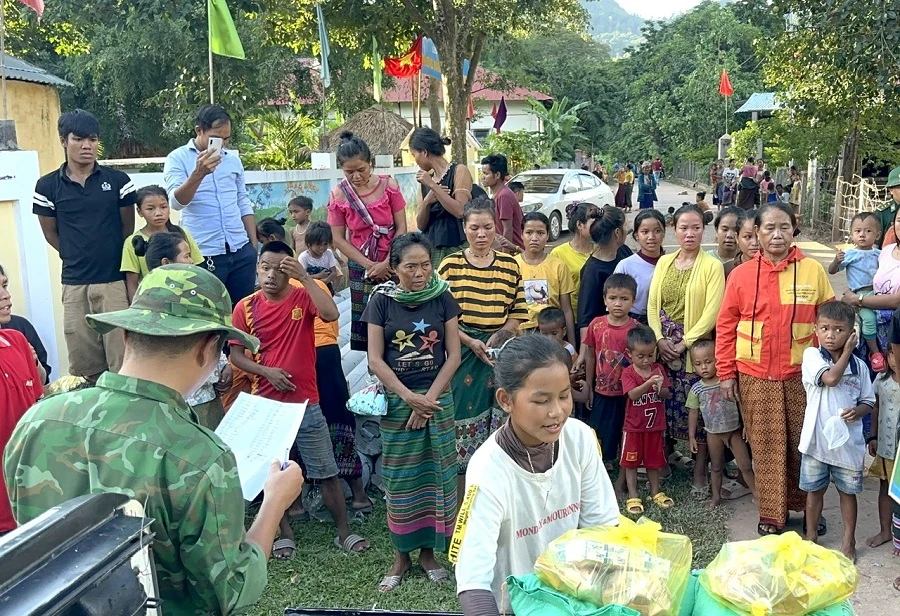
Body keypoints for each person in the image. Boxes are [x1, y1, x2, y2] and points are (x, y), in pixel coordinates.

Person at [3, 264, 305, 614]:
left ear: (128, 335)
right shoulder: (199, 457)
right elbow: (231, 591)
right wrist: (274, 502)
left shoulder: (38, 420)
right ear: (208, 349)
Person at [452, 334, 619, 616]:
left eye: (564, 396)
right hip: (516, 608)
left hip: (577, 599)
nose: (557, 412)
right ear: (506, 400)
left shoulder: (579, 438)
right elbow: (473, 580)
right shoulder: (488, 469)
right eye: (541, 401)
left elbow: (602, 528)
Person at [229, 241, 370, 555]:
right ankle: (283, 534)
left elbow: (331, 313)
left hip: (307, 403)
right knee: (275, 473)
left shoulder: (303, 296)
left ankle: (344, 532)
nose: (270, 275)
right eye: (265, 267)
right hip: (266, 405)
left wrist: (306, 278)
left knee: (326, 469)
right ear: (257, 267)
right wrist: (266, 372)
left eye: (279, 269)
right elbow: (236, 354)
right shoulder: (245, 307)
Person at [717, 202, 835, 535]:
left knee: (804, 444)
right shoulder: (740, 275)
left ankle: (807, 509)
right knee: (766, 446)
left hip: (803, 377)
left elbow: (829, 322)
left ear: (794, 227)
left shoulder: (812, 270)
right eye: (769, 228)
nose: (777, 234)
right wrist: (726, 373)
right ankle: (771, 514)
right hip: (755, 376)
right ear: (756, 232)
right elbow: (726, 326)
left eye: (783, 227)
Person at [362, 232, 461, 592]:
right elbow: (375, 359)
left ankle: (429, 554)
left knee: (437, 477)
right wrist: (408, 398)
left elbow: (454, 356)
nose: (419, 273)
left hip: (438, 399)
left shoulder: (443, 297)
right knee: (402, 481)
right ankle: (401, 556)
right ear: (394, 268)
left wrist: (428, 400)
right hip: (397, 402)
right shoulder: (381, 302)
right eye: (410, 266)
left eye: (425, 265)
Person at [33, 109, 135, 381]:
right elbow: (51, 234)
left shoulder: (118, 182)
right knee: (84, 366)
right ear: (64, 141)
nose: (87, 146)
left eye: (92, 139)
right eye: (79, 139)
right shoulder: (46, 187)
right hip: (75, 284)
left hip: (114, 282)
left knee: (123, 362)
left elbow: (128, 229)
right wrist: (75, 255)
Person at [438, 197, 527, 487]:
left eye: (487, 227)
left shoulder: (510, 266)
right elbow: (441, 314)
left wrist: (502, 334)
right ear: (464, 228)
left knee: (504, 412)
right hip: (462, 352)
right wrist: (469, 340)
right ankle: (464, 489)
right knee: (464, 417)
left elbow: (518, 311)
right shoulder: (449, 266)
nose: (481, 235)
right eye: (474, 227)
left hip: (500, 350)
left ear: (496, 228)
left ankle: (501, 483)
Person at [648, 204, 725, 492]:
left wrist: (684, 344)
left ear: (703, 230)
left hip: (694, 354)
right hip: (664, 349)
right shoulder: (664, 263)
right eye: (683, 227)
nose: (689, 233)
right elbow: (653, 305)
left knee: (699, 412)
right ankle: (665, 462)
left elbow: (711, 312)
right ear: (674, 229)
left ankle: (699, 475)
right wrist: (659, 340)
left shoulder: (712, 266)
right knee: (664, 406)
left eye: (695, 228)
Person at [800, 300, 874, 562]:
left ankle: (848, 540)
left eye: (839, 330)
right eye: (825, 328)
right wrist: (848, 352)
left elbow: (868, 400)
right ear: (816, 330)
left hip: (847, 445)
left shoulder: (860, 368)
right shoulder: (811, 357)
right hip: (816, 442)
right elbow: (830, 379)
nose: (831, 335)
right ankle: (811, 537)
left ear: (852, 333)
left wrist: (859, 412)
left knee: (848, 493)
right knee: (814, 492)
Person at [133, 233, 230, 430]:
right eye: (186, 256)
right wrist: (218, 369)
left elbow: (209, 333)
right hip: (180, 405)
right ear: (167, 262)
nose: (192, 261)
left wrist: (224, 365)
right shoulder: (152, 304)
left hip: (205, 398)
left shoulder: (192, 294)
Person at [164, 105, 258, 303]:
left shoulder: (233, 161)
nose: (222, 144)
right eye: (217, 138)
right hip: (203, 253)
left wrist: (253, 245)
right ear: (199, 131)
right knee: (207, 316)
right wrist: (198, 173)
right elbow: (176, 203)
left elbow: (242, 201)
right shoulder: (177, 158)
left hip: (240, 249)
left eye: (226, 138)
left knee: (242, 313)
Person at [327, 132, 407, 352]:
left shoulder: (388, 185)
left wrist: (388, 263)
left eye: (361, 170)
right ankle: (375, 370)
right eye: (349, 172)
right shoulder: (339, 195)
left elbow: (401, 227)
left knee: (399, 315)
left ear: (370, 163)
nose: (356, 176)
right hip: (361, 266)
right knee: (368, 319)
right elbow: (338, 239)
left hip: (394, 261)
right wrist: (370, 266)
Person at [686, 339, 756, 510]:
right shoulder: (696, 389)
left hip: (734, 432)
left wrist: (746, 424)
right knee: (716, 467)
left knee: (746, 466)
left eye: (708, 362)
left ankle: (758, 496)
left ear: (718, 360)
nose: (704, 367)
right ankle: (716, 497)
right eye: (698, 364)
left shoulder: (728, 383)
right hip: (713, 434)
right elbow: (693, 413)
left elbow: (740, 404)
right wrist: (691, 436)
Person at [583, 274, 640, 472]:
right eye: (613, 298)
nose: (618, 304)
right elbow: (590, 356)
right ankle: (603, 459)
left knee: (625, 427)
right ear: (604, 299)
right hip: (602, 391)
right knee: (601, 428)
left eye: (624, 299)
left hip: (628, 393)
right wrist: (589, 386)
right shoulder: (596, 325)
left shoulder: (636, 329)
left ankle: (629, 459)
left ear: (633, 301)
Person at [0, 282, 44, 536]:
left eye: (5, 285)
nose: (6, 295)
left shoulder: (17, 341)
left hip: (32, 501)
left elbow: (38, 400)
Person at [620, 325, 673, 514]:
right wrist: (649, 383)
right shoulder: (628, 373)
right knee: (630, 463)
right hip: (634, 427)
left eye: (650, 355)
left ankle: (655, 491)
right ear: (629, 354)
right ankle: (633, 495)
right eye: (640, 356)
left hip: (655, 426)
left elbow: (666, 393)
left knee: (654, 461)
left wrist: (659, 388)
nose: (646, 360)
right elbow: (632, 395)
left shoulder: (658, 369)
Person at [122, 185, 204, 301]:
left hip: (185, 298)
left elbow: (197, 268)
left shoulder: (182, 233)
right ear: (139, 212)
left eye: (163, 207)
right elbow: (132, 283)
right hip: (152, 300)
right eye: (150, 209)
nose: (158, 213)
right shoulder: (132, 241)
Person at [411, 128, 478, 268]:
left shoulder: (458, 171)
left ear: (424, 152)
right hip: (432, 246)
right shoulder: (424, 180)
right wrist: (428, 201)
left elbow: (460, 211)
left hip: (457, 244)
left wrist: (433, 186)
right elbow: (421, 224)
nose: (415, 160)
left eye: (414, 154)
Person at [829, 212, 884, 370]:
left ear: (877, 235)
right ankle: (875, 353)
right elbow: (832, 271)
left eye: (868, 231)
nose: (862, 235)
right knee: (868, 320)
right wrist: (836, 261)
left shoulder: (879, 255)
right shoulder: (849, 254)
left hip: (878, 292)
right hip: (859, 294)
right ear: (852, 234)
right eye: (858, 231)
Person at [515, 212, 576, 344]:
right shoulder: (512, 265)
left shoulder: (558, 266)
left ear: (547, 235)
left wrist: (572, 345)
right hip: (521, 333)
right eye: (529, 232)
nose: (534, 238)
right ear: (521, 234)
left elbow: (566, 309)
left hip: (552, 332)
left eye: (540, 233)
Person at [866, 325, 900, 549]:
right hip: (887, 448)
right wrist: (873, 436)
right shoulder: (882, 380)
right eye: (892, 353)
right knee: (885, 489)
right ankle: (885, 530)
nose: (895, 359)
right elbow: (876, 407)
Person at [576, 206, 632, 340]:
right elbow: (585, 317)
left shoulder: (624, 251)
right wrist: (586, 354)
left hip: (628, 329)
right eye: (625, 227)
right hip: (606, 337)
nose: (628, 230)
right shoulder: (592, 270)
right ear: (617, 232)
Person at [0, 264, 51, 382]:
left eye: (5, 286)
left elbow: (43, 382)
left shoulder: (20, 329)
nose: (6, 295)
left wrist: (34, 362)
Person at [614, 209, 666, 324]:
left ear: (664, 234)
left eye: (657, 231)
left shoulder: (672, 263)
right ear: (636, 236)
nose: (651, 237)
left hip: (667, 324)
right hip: (635, 325)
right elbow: (614, 302)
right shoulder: (626, 266)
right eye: (645, 232)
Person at [550, 203, 598, 319]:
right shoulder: (558, 254)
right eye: (594, 224)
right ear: (579, 225)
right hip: (572, 317)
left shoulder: (601, 250)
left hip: (597, 315)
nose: (599, 227)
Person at [481, 153, 523, 253]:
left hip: (513, 252)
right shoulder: (498, 194)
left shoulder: (504, 196)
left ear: (497, 175)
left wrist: (504, 257)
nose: (483, 177)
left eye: (486, 173)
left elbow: (508, 229)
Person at [299, 221, 341, 295]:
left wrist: (325, 281)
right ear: (309, 243)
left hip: (326, 288)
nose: (322, 248)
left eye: (325, 244)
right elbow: (301, 278)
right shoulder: (304, 257)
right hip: (310, 290)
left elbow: (334, 272)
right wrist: (318, 276)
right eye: (318, 244)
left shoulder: (328, 253)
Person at [724, 210, 757, 278]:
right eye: (748, 237)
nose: (755, 243)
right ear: (737, 237)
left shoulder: (774, 268)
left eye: (758, 236)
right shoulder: (726, 269)